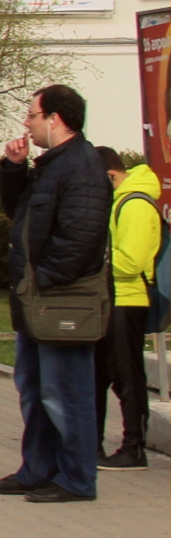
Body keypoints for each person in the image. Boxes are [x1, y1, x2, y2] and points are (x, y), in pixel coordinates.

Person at [0, 86, 113, 503]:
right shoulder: (52, 165)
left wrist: (42, 280)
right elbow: (20, 213)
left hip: (62, 301)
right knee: (36, 387)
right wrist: (12, 167)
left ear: (55, 119)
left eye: (32, 115)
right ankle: (38, 469)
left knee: (66, 393)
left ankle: (76, 478)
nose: (27, 123)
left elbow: (81, 236)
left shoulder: (82, 166)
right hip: (36, 300)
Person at [98, 146, 160, 469]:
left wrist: (95, 263)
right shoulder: (120, 202)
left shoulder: (133, 204)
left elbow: (132, 261)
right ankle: (93, 444)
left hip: (127, 299)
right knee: (102, 372)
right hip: (110, 298)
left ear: (110, 176)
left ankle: (134, 446)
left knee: (127, 373)